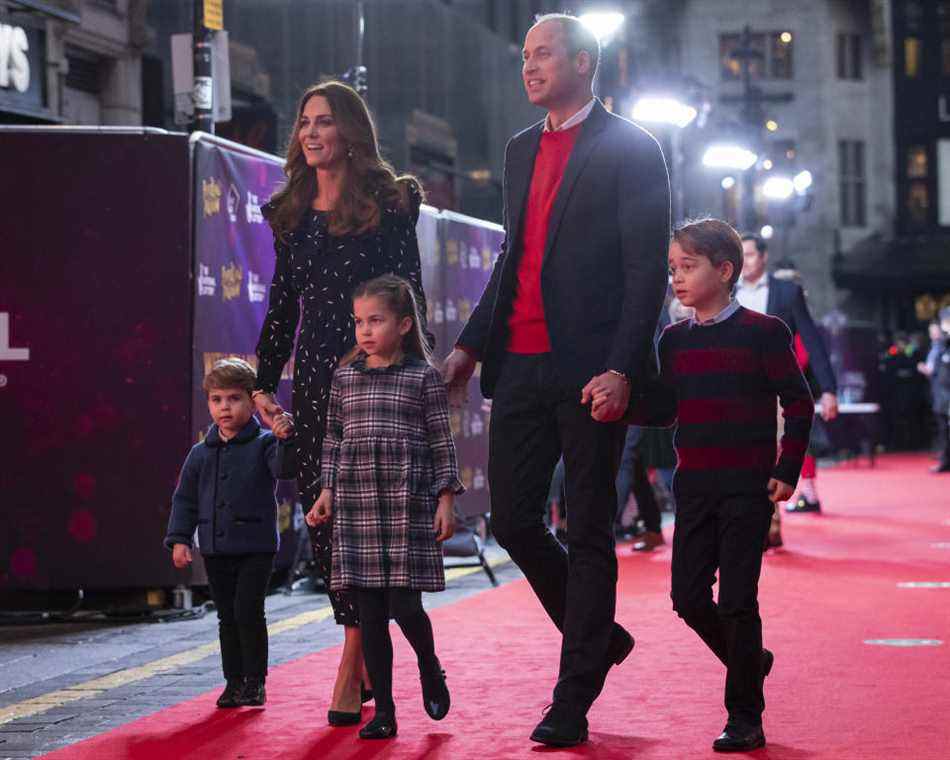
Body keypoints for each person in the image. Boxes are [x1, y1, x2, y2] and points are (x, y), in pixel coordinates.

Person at [442, 13, 670, 746]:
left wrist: (622, 367)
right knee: (511, 520)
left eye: (543, 55)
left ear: (583, 61)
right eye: (525, 56)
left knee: (592, 527)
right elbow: (515, 257)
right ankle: (598, 635)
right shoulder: (517, 151)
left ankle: (572, 697)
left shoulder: (632, 148)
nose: (529, 67)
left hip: (591, 371)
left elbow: (645, 274)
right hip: (520, 362)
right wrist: (470, 348)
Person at [251, 81, 431, 721]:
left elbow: (409, 295)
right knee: (325, 521)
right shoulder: (291, 211)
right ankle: (359, 641)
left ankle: (354, 658)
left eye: (323, 121)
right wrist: (262, 384)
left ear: (351, 131)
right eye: (303, 122)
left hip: (375, 378)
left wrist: (417, 375)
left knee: (365, 520)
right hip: (316, 382)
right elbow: (281, 308)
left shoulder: (389, 202)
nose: (310, 132)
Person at [618, 219, 813, 752]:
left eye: (688, 267)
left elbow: (799, 404)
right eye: (672, 269)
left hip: (747, 488)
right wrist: (622, 400)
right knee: (686, 596)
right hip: (694, 487)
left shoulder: (764, 332)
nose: (676, 279)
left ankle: (745, 715)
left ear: (724, 271)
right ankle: (750, 660)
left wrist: (785, 469)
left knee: (737, 602)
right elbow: (664, 409)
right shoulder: (673, 340)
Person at [307, 275, 463, 740]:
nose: (365, 331)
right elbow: (333, 439)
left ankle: (430, 666)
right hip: (357, 503)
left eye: (376, 320)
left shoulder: (424, 377)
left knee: (405, 606)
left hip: (406, 501)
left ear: (404, 323)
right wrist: (327, 491)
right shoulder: (345, 377)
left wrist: (446, 499)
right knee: (369, 613)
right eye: (359, 321)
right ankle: (386, 711)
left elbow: (441, 440)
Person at [165, 358, 297, 708]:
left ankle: (255, 681)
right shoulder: (199, 453)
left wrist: (285, 438)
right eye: (216, 399)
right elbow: (185, 500)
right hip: (215, 547)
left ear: (252, 402)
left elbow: (285, 470)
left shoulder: (266, 444)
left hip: (256, 547)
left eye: (234, 398)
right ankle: (233, 680)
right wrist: (180, 539)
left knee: (247, 611)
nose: (224, 407)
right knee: (226, 615)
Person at [737, 235, 836, 544]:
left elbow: (812, 340)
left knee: (767, 452)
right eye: (741, 255)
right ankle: (754, 521)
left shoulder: (787, 293)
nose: (746, 261)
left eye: (750, 254)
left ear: (764, 257)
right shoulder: (726, 291)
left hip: (774, 388)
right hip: (732, 387)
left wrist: (829, 389)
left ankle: (767, 523)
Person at [921, 309, 950, 473]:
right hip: (941, 393)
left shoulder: (944, 344)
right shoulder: (938, 346)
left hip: (946, 393)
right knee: (943, 428)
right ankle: (945, 459)